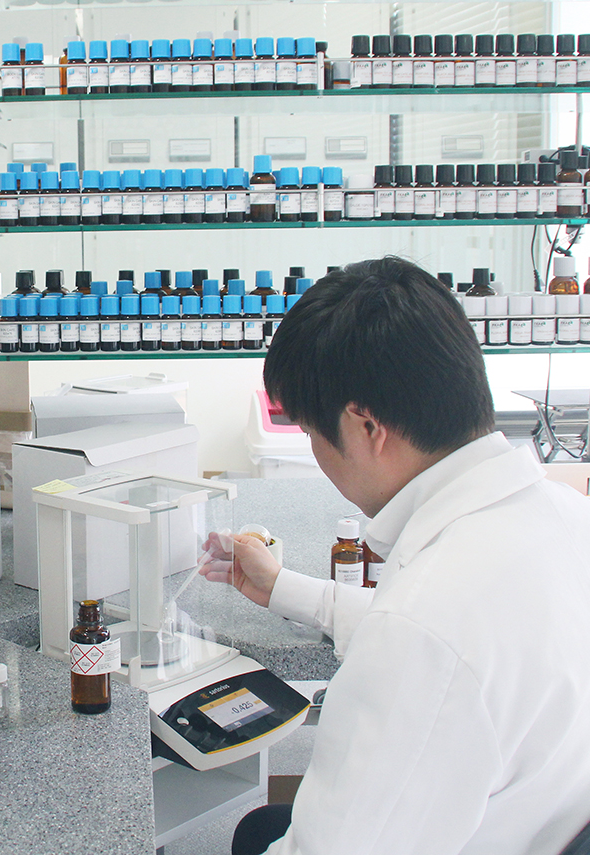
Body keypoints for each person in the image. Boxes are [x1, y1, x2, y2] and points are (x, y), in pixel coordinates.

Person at [201, 256, 590, 855]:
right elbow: (455, 635)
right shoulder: (566, 519)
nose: (315, 451)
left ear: (366, 427)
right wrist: (282, 588)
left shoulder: (421, 635)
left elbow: (425, 640)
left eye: (310, 432)